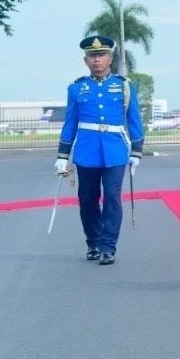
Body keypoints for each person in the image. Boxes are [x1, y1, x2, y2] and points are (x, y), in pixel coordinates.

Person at [55, 36, 145, 265]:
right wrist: (62, 156)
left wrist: (136, 151)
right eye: (92, 56)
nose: (97, 60)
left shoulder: (124, 86)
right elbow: (70, 122)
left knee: (113, 198)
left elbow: (134, 119)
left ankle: (108, 246)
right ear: (85, 60)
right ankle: (93, 242)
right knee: (87, 199)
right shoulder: (76, 88)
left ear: (110, 58)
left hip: (115, 151)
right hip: (86, 151)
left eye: (101, 55)